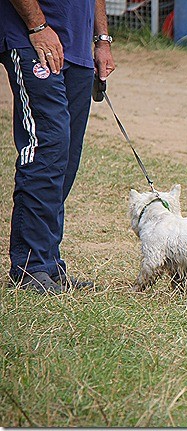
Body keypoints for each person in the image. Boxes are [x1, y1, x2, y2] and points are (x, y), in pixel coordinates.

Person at [1, 0, 116, 293]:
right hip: (33, 39)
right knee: (47, 148)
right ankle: (31, 266)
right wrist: (37, 26)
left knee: (66, 156)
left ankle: (49, 264)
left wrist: (101, 39)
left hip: (76, 49)